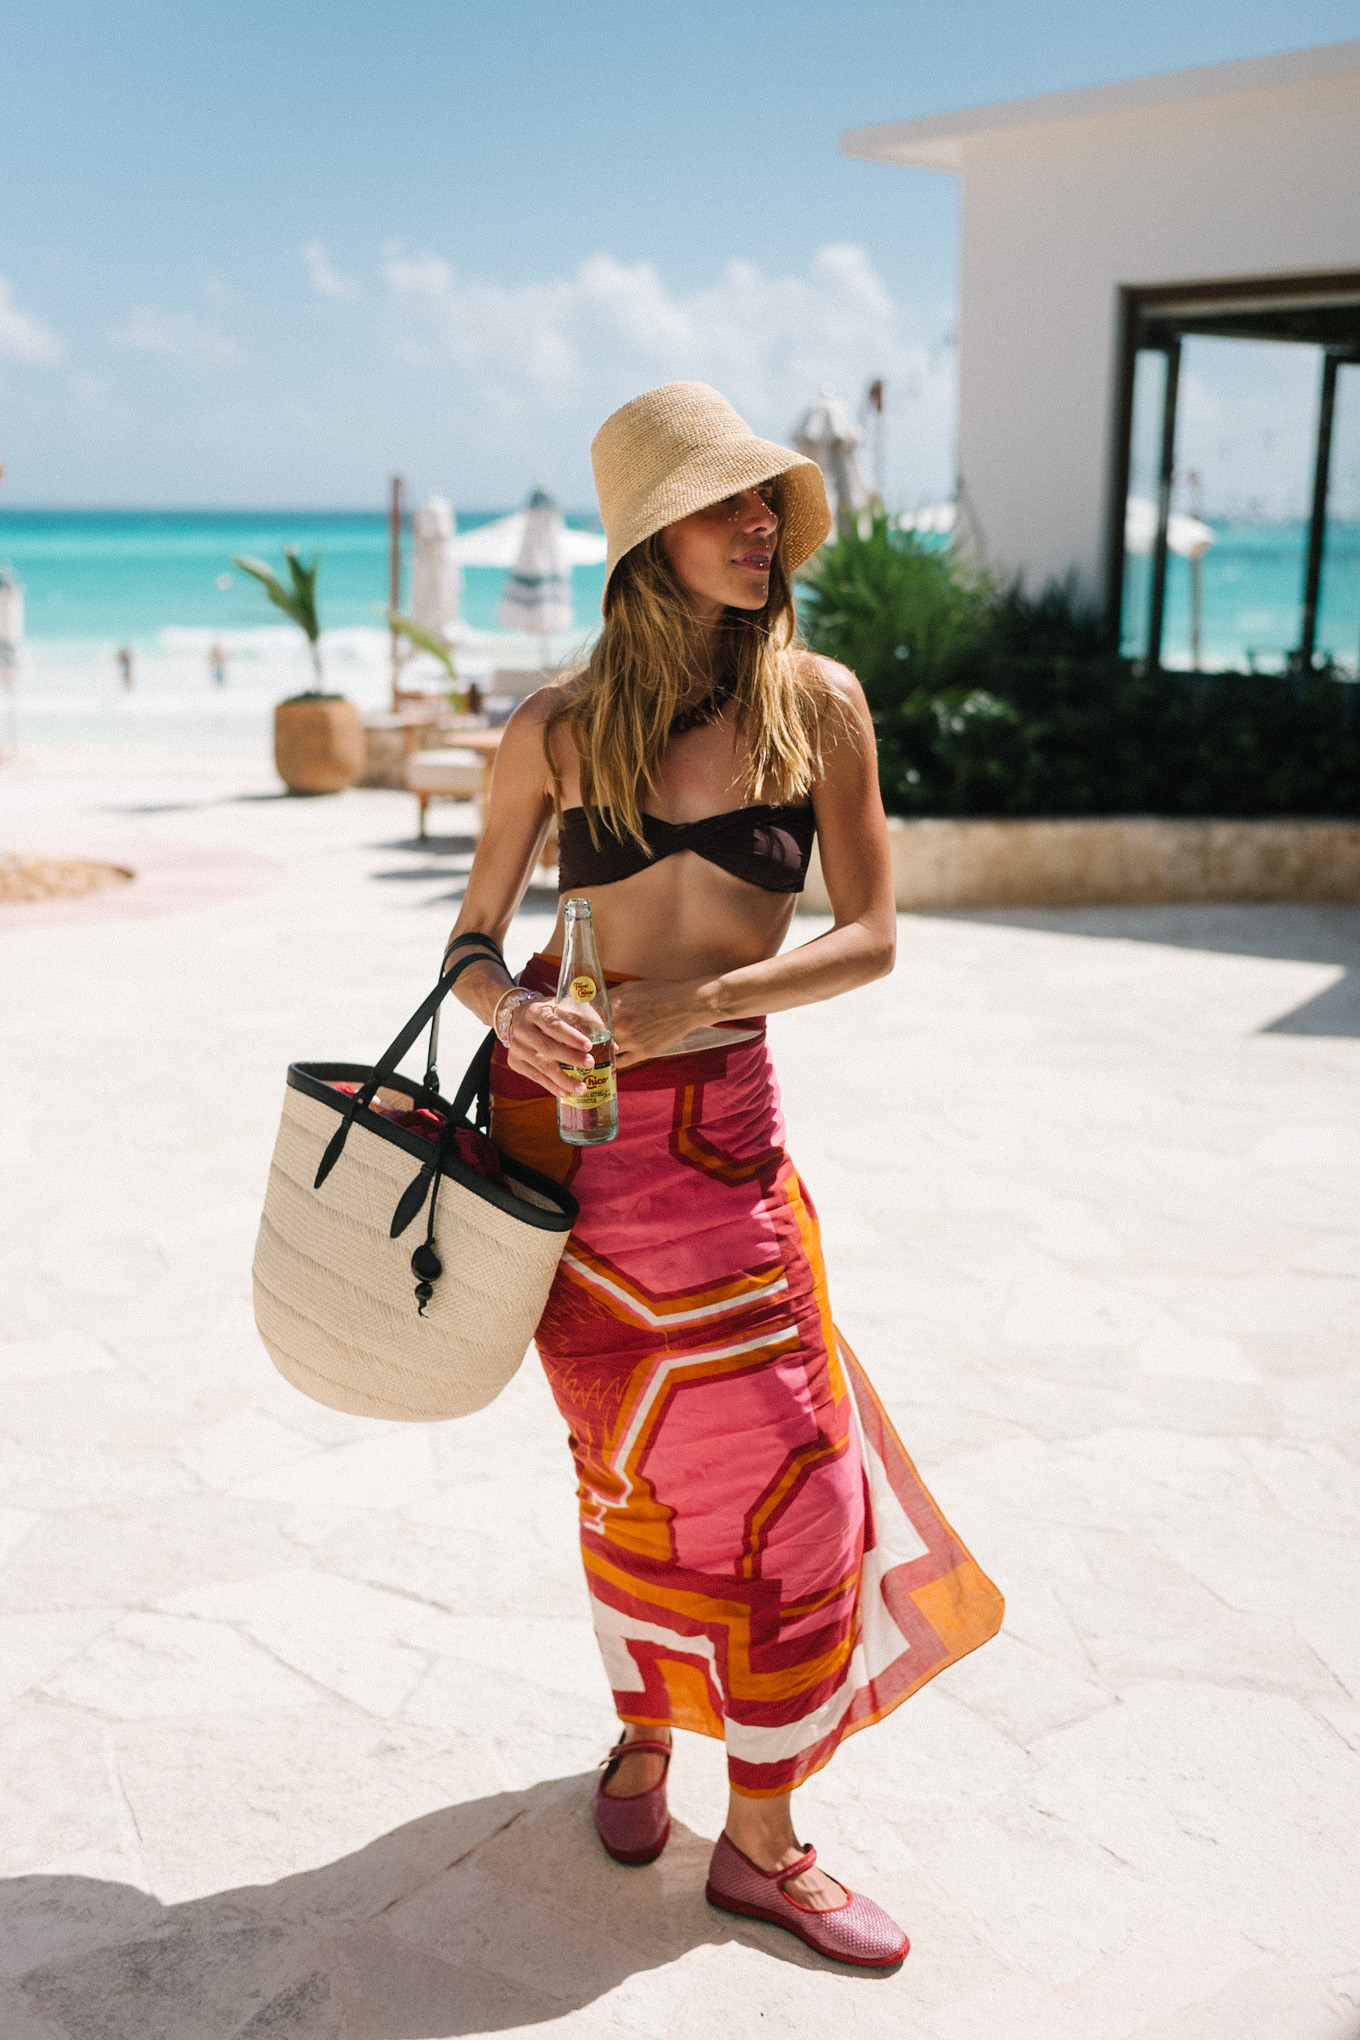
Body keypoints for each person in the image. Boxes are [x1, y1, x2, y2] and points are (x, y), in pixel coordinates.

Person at [443, 383, 1002, 1969]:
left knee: (798, 1478)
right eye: (726, 507)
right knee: (629, 1475)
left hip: (724, 1142)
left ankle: (763, 1837)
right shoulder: (554, 731)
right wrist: (517, 1011)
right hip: (574, 1149)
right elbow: (470, 946)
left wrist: (713, 1002)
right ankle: (642, 1731)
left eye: (769, 507)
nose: (763, 529)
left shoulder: (816, 703)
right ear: (646, 546)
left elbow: (875, 933)